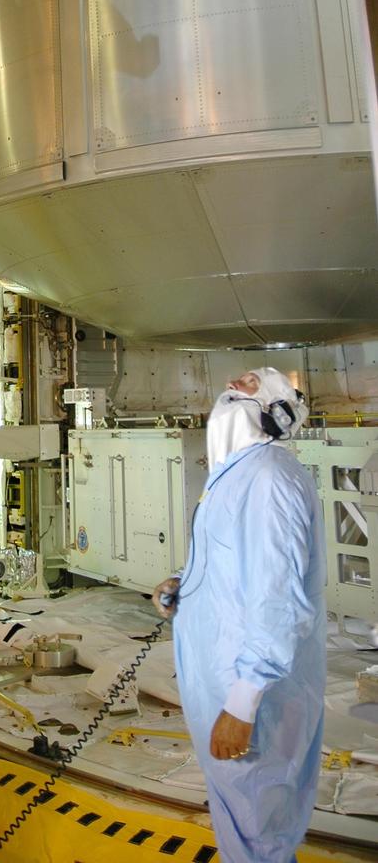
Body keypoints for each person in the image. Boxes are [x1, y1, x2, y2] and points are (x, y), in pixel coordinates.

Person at [153, 367, 326, 863]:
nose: (235, 381)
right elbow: (238, 567)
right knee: (245, 828)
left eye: (253, 381)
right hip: (221, 679)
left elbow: (280, 601)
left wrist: (244, 703)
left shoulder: (269, 478)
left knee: (259, 835)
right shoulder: (234, 475)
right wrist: (184, 586)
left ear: (276, 411)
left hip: (253, 696)